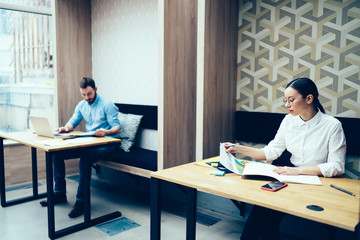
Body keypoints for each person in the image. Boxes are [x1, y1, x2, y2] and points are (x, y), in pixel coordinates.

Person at [225, 77, 346, 240]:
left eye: (291, 100)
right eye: (285, 100)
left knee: (266, 213)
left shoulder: (332, 125)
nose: (287, 105)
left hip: (317, 181)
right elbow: (271, 152)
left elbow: (337, 166)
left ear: (309, 99)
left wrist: (297, 171)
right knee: (263, 207)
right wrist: (239, 148)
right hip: (290, 177)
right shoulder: (289, 121)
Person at [40, 77, 121, 218]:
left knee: (85, 158)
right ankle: (59, 194)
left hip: (107, 142)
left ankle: (81, 201)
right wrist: (64, 129)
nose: (86, 97)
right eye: (83, 94)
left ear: (95, 89)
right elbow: (73, 121)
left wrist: (106, 132)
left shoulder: (107, 105)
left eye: (89, 94)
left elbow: (117, 128)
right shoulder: (82, 105)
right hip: (89, 141)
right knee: (57, 154)